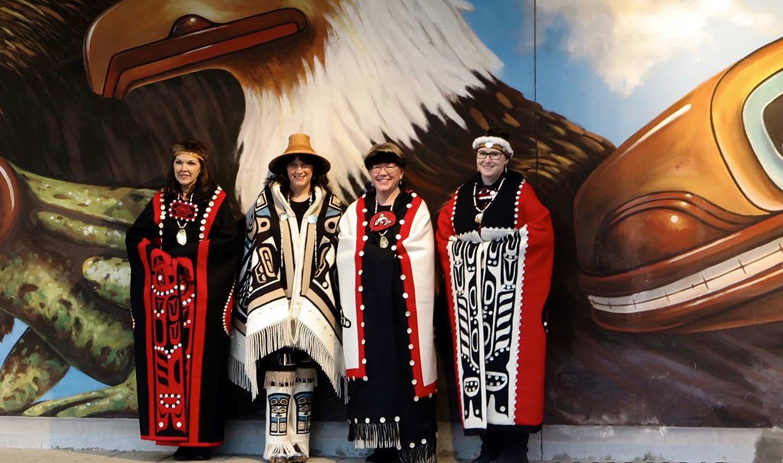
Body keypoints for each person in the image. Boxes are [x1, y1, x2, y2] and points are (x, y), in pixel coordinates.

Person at [435, 129, 554, 463]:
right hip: (470, 302)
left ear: (506, 160)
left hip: (511, 302)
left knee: (512, 368)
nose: (488, 161)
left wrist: (495, 248)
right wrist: (471, 251)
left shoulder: (520, 191)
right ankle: (489, 445)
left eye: (495, 156)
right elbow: (446, 236)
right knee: (477, 369)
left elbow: (541, 231)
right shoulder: (462, 195)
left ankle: (515, 448)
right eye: (482, 156)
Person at [230, 133, 345, 463]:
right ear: (285, 170)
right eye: (293, 164)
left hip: (312, 306)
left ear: (313, 169)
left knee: (307, 371)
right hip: (275, 305)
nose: (298, 169)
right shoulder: (264, 205)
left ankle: (301, 445)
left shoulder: (333, 210)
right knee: (280, 368)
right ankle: (277, 444)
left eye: (304, 163)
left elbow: (340, 255)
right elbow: (248, 249)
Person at [126, 140, 242, 461]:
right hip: (167, 306)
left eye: (190, 163)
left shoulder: (216, 202)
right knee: (169, 369)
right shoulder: (161, 201)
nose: (184, 169)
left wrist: (185, 256)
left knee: (201, 371)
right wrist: (157, 256)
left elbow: (229, 244)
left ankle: (201, 441)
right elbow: (136, 238)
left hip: (201, 302)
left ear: (201, 168)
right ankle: (179, 437)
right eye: (179, 163)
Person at [337, 144, 438, 463]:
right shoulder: (357, 209)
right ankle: (381, 445)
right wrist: (383, 258)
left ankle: (410, 444)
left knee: (405, 370)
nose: (383, 172)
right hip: (369, 308)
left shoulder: (415, 206)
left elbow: (419, 252)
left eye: (389, 166)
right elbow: (346, 252)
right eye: (376, 166)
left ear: (401, 171)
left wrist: (378, 259)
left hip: (404, 308)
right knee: (375, 371)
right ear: (369, 173)